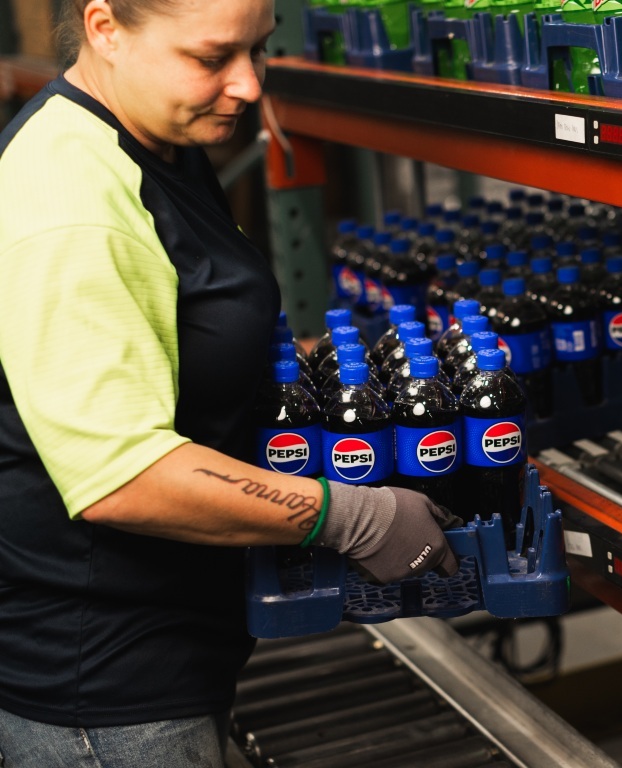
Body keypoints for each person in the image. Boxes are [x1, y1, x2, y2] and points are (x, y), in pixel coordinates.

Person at [0, 1, 460, 765]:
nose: (248, 84)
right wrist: (353, 517)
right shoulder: (71, 197)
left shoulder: (155, 139)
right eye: (212, 58)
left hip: (172, 640)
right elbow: (122, 477)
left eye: (258, 50)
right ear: (106, 29)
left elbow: (178, 329)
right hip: (106, 681)